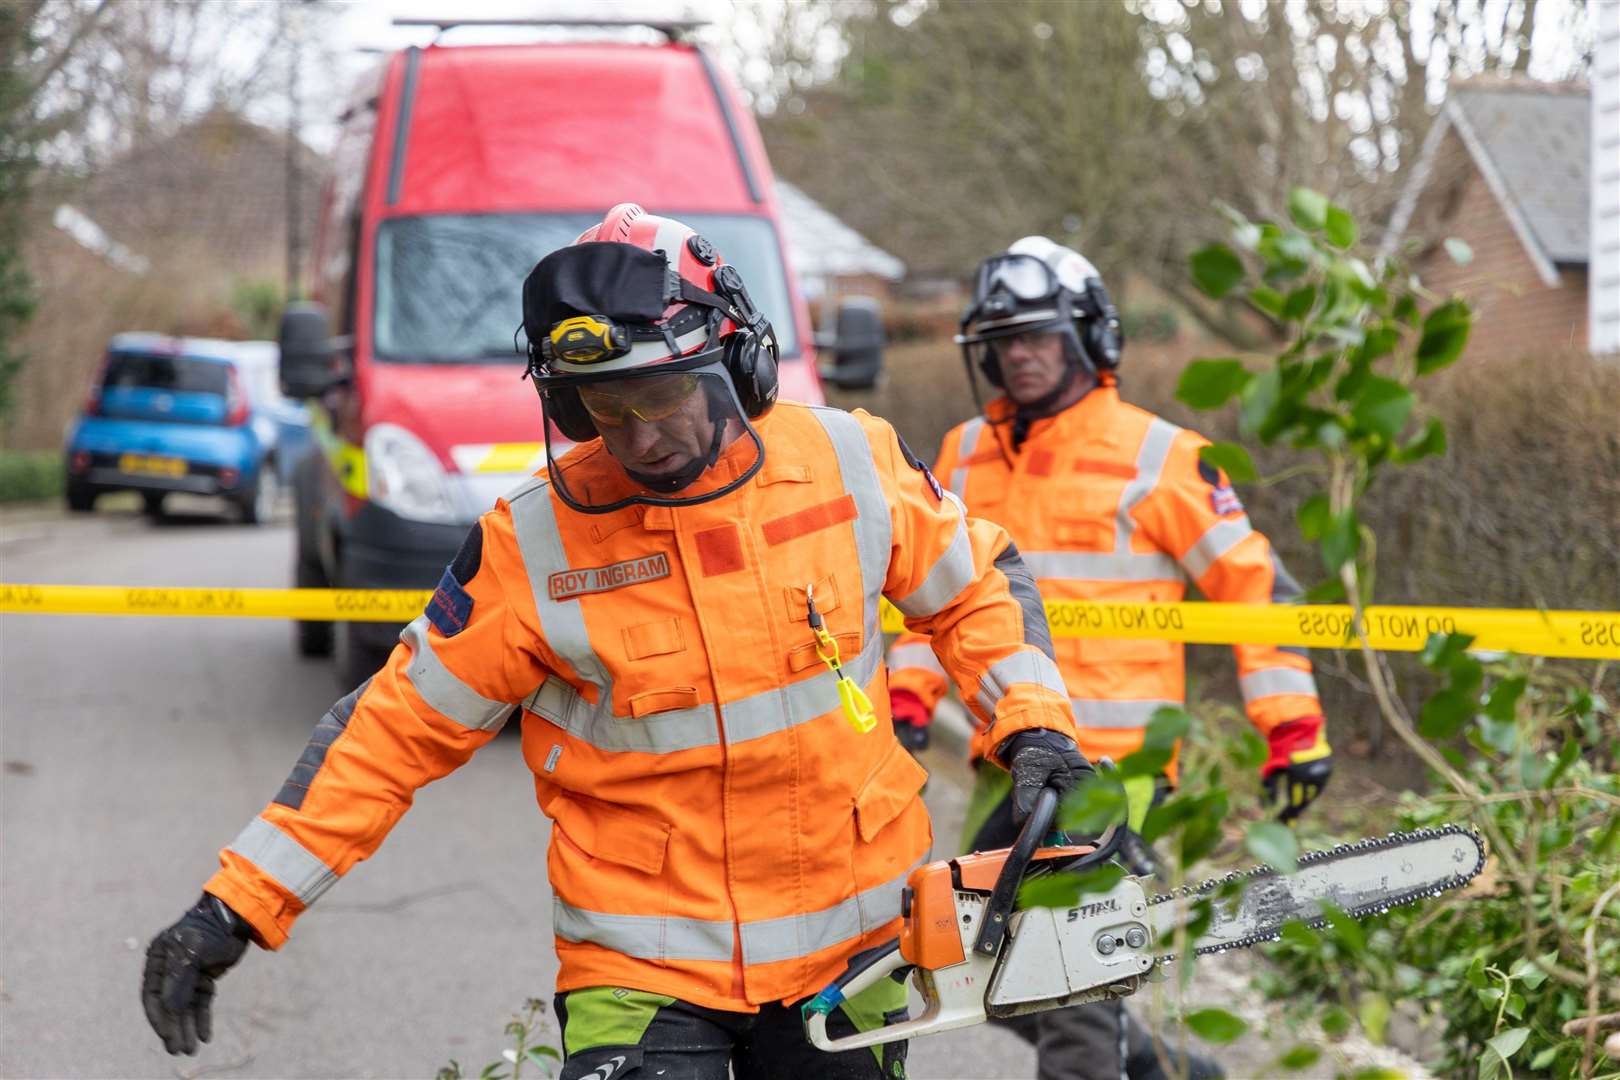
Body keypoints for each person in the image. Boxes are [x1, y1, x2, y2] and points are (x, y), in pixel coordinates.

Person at [140, 205, 1093, 1080]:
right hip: (642, 971)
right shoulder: (532, 544)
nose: (642, 437)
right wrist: (237, 906)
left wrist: (1036, 729)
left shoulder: (849, 462)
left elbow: (974, 589)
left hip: (853, 948)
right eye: (606, 408)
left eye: (664, 396)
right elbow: (390, 733)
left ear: (740, 363)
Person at [886, 238, 1334, 1080]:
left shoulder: (1160, 454)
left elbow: (1252, 589)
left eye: (1037, 337)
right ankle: (1162, 1067)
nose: (1018, 356)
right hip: (1008, 752)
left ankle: (1114, 1064)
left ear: (1089, 338)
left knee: (1069, 967)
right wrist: (907, 695)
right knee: (964, 957)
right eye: (1003, 341)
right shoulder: (960, 455)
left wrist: (1293, 725)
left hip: (1114, 766)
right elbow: (930, 594)